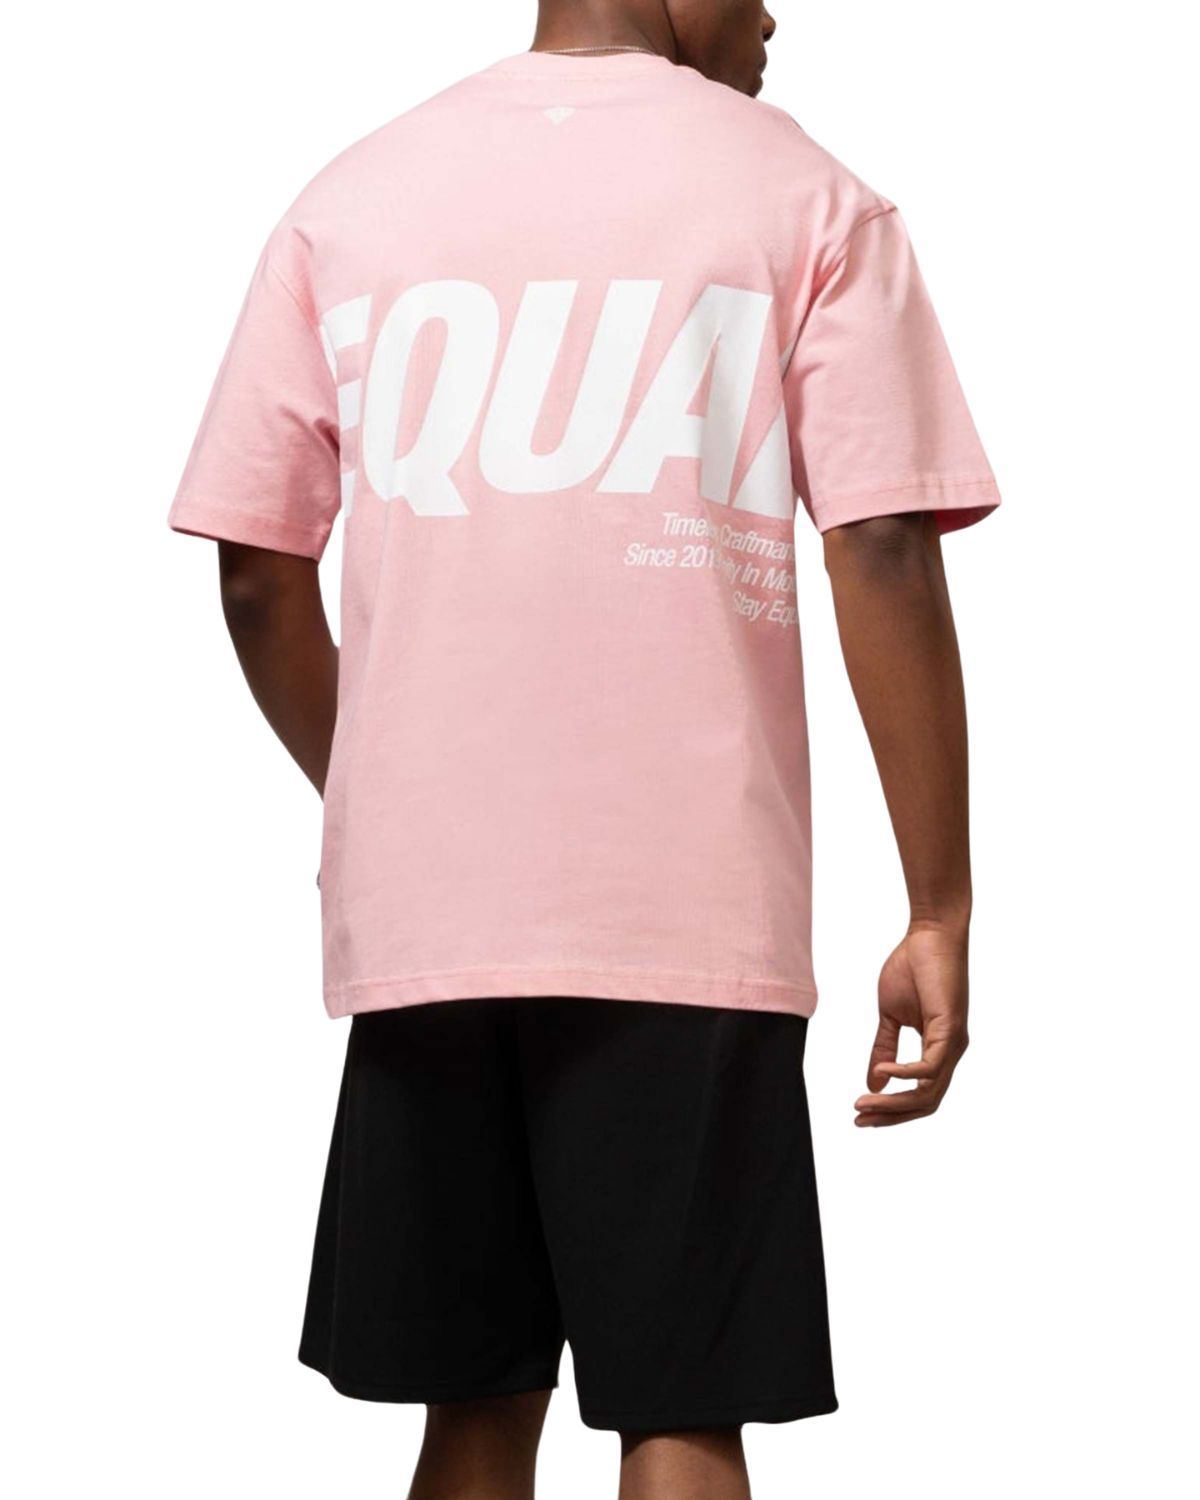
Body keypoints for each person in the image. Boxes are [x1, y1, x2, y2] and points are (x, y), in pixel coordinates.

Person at [169, 1, 999, 1495]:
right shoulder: (805, 197)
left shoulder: (353, 196)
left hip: (433, 921)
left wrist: (381, 800)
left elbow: (252, 570)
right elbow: (881, 546)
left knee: (473, 1405)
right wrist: (939, 906)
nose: (771, 12)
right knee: (682, 1407)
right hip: (686, 910)